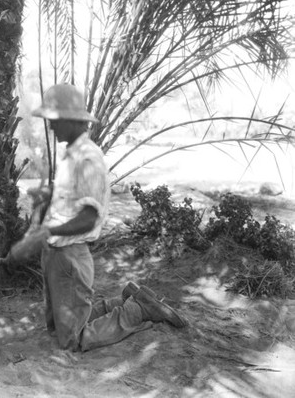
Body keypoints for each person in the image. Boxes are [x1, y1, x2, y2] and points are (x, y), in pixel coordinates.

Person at [26, 84, 187, 351]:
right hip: (59, 251)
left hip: (69, 253)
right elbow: (73, 202)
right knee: (57, 327)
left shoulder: (87, 159)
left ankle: (136, 311)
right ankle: (120, 302)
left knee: (72, 340)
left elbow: (89, 218)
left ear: (70, 119)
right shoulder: (72, 155)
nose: (51, 128)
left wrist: (49, 231)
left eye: (54, 121)